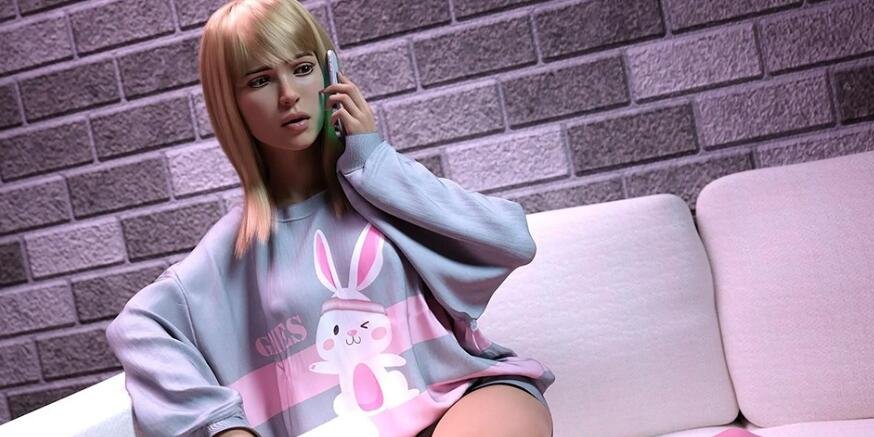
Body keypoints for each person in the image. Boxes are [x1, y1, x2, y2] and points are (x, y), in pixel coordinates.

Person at [104, 1, 555, 436]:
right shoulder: (231, 251)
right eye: (260, 80)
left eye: (302, 68)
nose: (288, 95)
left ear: (330, 72)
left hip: (464, 397)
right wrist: (222, 425)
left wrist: (372, 161)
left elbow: (512, 240)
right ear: (230, 103)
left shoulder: (380, 185)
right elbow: (138, 329)